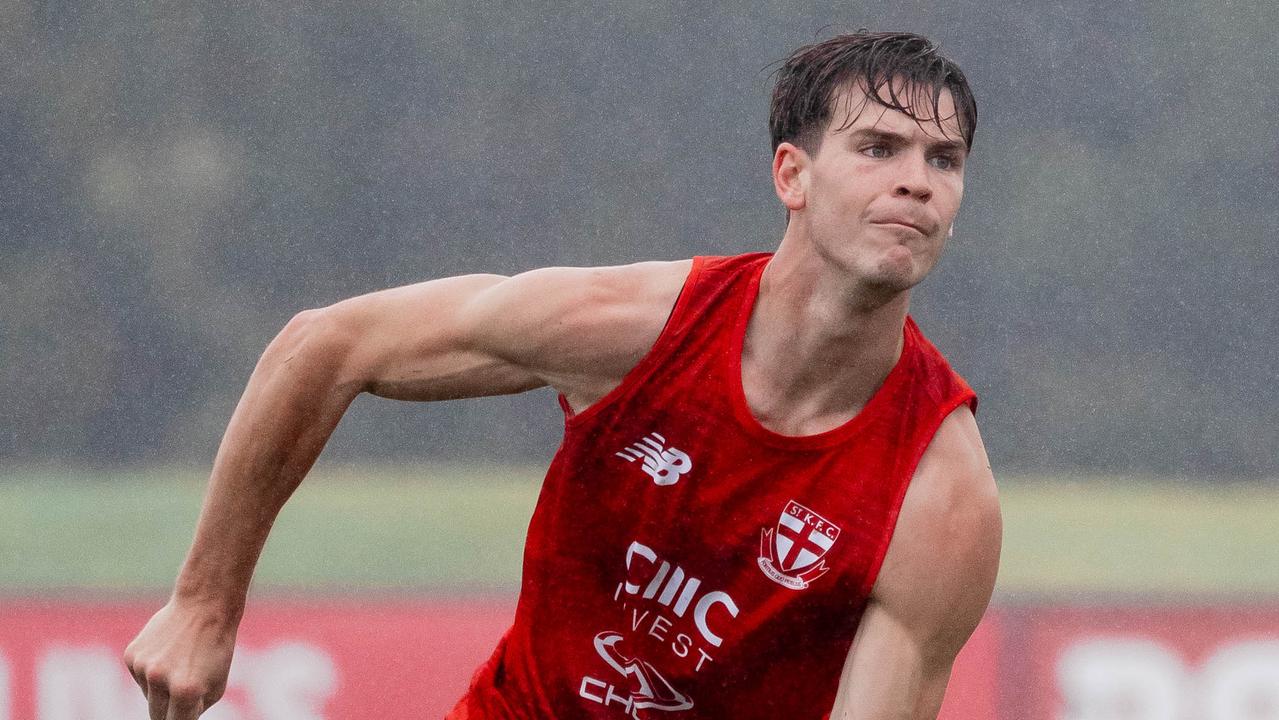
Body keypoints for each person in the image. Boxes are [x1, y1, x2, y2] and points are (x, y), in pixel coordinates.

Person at [124, 30, 1001, 720]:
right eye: (878, 148)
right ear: (791, 175)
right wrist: (205, 604)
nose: (917, 184)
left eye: (943, 160)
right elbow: (326, 345)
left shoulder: (940, 499)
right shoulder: (635, 328)